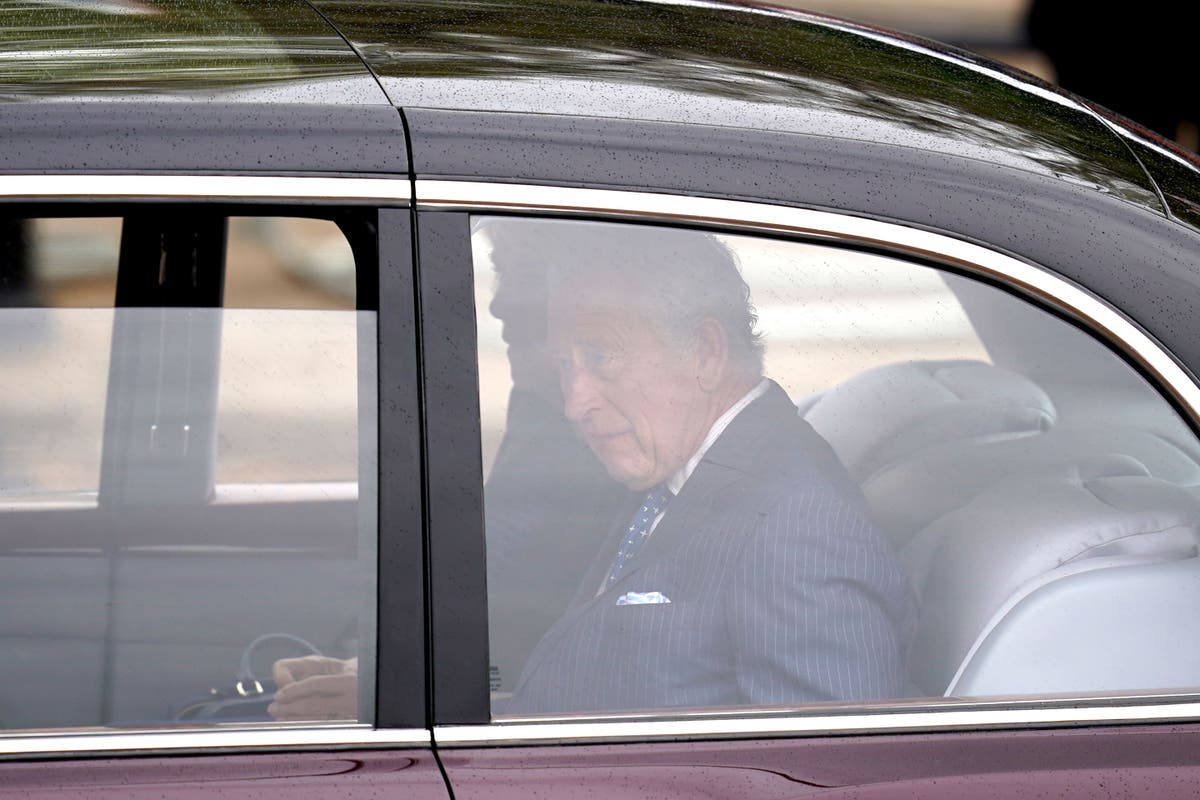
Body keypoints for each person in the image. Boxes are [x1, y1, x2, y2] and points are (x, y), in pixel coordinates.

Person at [502, 222, 913, 714]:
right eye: (565, 365)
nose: (574, 404)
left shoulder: (799, 529)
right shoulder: (670, 465)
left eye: (599, 355)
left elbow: (828, 772)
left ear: (706, 352)